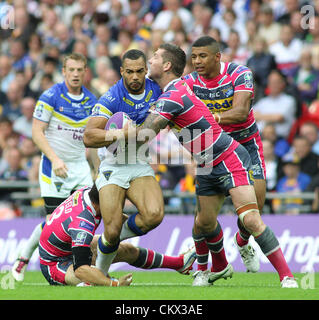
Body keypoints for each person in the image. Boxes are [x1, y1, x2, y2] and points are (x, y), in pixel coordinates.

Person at [126, 43, 297, 288]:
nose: (148, 61)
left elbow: (144, 135)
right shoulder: (177, 89)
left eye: (153, 57)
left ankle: (287, 277)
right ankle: (217, 267)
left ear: (166, 66)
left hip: (228, 156)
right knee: (202, 223)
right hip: (206, 163)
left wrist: (112, 134)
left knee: (250, 218)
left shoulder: (173, 96)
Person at [182, 35, 265, 276]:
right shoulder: (188, 82)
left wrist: (209, 118)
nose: (197, 61)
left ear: (217, 57)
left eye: (202, 56)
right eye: (193, 57)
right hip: (214, 149)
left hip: (246, 143)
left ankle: (242, 241)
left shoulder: (240, 73)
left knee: (255, 207)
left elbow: (240, 112)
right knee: (204, 217)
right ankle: (210, 266)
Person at [12, 53, 97, 281]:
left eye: (80, 70)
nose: (76, 74)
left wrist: (96, 169)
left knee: (88, 218)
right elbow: (36, 132)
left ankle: (82, 267)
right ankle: (23, 257)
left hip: (80, 168)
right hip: (54, 167)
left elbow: (93, 139)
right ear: (64, 71)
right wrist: (55, 159)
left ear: (85, 71)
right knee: (53, 222)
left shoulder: (91, 100)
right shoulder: (50, 96)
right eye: (72, 70)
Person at [83, 49, 164, 276]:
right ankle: (98, 275)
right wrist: (121, 134)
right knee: (112, 227)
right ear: (122, 72)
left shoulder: (156, 89)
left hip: (138, 161)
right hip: (112, 165)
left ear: (146, 70)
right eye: (129, 72)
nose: (135, 77)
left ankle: (107, 241)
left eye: (139, 71)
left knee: (154, 215)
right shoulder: (111, 97)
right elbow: (89, 136)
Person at [37, 183, 196, 286]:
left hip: (67, 245)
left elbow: (117, 218)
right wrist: (114, 283)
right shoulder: (82, 224)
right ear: (104, 201)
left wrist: (142, 224)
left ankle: (179, 263)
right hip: (54, 263)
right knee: (90, 280)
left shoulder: (88, 192)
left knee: (127, 250)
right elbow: (80, 269)